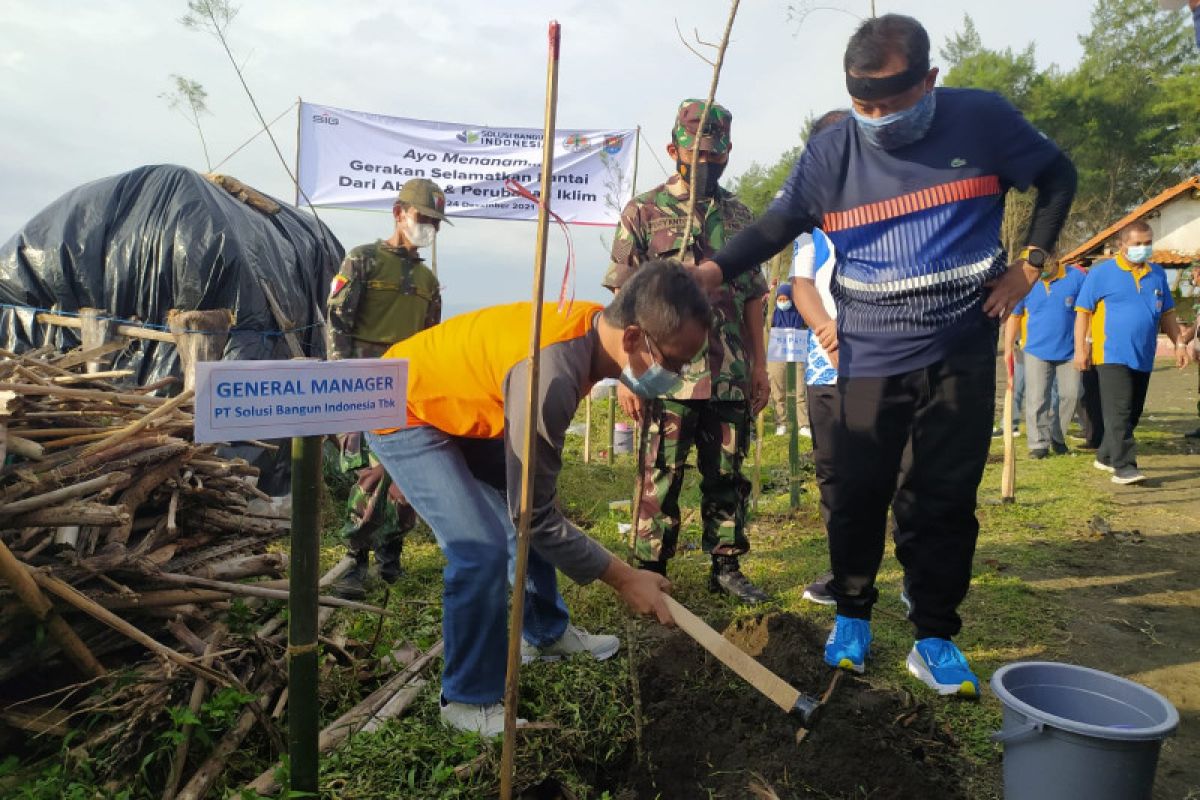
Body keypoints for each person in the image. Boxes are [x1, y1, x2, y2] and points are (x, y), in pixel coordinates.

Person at [692, 14, 1077, 695]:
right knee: (858, 494)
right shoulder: (833, 150)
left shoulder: (981, 120)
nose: (875, 118)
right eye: (861, 104)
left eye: (889, 104)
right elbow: (779, 224)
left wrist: (1031, 265)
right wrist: (715, 271)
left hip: (961, 343)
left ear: (929, 81)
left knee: (946, 497)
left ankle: (933, 635)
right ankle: (852, 616)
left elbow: (1057, 175)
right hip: (869, 349)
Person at [367, 260, 707, 736]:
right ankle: (466, 700)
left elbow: (533, 506)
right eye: (671, 363)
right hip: (404, 405)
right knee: (480, 547)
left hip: (475, 401)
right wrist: (624, 577)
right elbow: (536, 519)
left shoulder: (594, 327)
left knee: (528, 502)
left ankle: (544, 634)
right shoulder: (551, 376)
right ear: (632, 339)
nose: (676, 376)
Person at [605, 99, 770, 603]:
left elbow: (755, 297)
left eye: (717, 160)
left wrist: (760, 367)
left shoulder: (741, 215)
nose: (708, 167)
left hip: (729, 372)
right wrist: (625, 375)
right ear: (674, 149)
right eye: (699, 157)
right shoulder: (643, 212)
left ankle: (726, 567)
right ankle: (650, 568)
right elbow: (621, 303)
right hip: (663, 374)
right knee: (659, 473)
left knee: (728, 474)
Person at [326, 178, 446, 599]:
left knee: (405, 475)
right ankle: (355, 558)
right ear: (399, 213)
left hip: (407, 390)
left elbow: (431, 341)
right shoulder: (362, 260)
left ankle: (390, 559)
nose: (428, 227)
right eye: (422, 217)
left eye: (435, 221)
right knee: (373, 474)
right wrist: (346, 384)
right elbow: (337, 323)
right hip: (362, 383)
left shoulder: (429, 281)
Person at [1073, 221, 1190, 484]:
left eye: (1148, 243)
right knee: (1120, 410)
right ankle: (1125, 467)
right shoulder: (1102, 274)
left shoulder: (1157, 274)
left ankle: (1105, 456)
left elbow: (1167, 314)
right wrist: (1081, 349)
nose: (1143, 249)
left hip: (1143, 354)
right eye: (1137, 244)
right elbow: (1083, 313)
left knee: (1132, 411)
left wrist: (1180, 344)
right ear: (1121, 245)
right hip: (1110, 353)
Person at [1005, 258, 1086, 458]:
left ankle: (1057, 436)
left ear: (1055, 256)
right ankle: (1038, 445)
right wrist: (1008, 348)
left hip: (1070, 350)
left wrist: (1086, 345)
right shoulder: (1026, 281)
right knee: (1037, 399)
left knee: (1072, 394)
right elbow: (1015, 317)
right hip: (1035, 350)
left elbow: (1087, 312)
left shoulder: (1076, 278)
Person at [768, 283, 810, 437]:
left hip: (797, 352)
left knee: (800, 389)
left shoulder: (800, 314)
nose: (783, 302)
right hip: (777, 354)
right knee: (777, 388)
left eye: (786, 299)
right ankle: (781, 422)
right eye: (780, 299)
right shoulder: (772, 316)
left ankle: (803, 424)